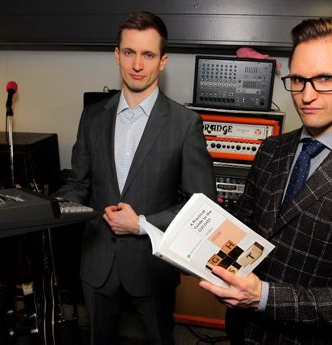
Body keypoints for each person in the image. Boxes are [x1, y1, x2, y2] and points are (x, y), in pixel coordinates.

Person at [199, 18, 332, 344]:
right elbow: (243, 226)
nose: (306, 95)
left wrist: (265, 297)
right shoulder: (272, 149)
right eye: (298, 79)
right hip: (241, 329)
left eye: (325, 78)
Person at [55, 11, 216, 345]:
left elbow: (202, 204)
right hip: (97, 263)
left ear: (163, 61)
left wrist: (141, 224)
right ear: (117, 55)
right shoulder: (93, 116)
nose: (137, 65)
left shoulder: (185, 124)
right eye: (129, 53)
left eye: (148, 55)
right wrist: (48, 208)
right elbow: (79, 184)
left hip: (152, 267)